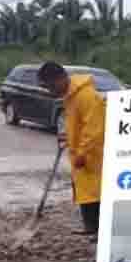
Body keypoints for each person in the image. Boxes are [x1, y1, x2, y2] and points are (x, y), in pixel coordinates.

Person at [37, 62, 105, 235]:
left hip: (93, 155)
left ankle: (98, 231)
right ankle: (90, 227)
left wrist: (82, 153)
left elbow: (95, 129)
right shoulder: (71, 96)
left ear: (60, 79)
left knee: (95, 193)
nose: (50, 91)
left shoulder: (86, 96)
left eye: (50, 86)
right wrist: (67, 137)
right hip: (82, 154)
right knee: (84, 191)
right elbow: (78, 125)